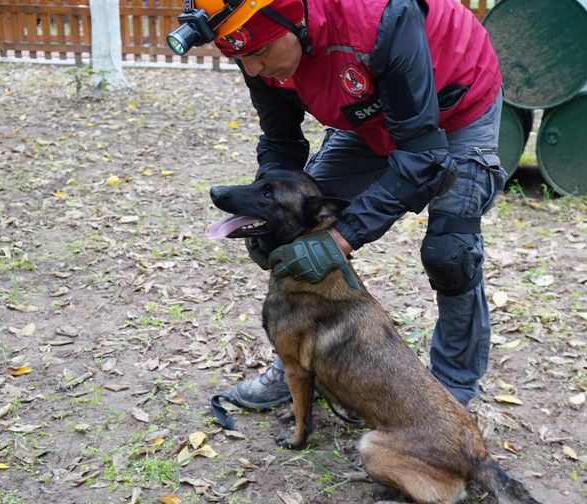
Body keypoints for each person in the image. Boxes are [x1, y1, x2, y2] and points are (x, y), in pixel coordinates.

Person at [186, 0, 505, 411]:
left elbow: (423, 161)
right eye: (239, 57)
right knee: (290, 229)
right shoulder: (254, 39)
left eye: (260, 53)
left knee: (450, 253)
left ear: (295, 22)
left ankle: (453, 389)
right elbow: (282, 143)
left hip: (456, 109)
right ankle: (300, 367)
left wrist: (343, 237)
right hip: (369, 119)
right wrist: (272, 208)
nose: (251, 69)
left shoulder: (379, 19)